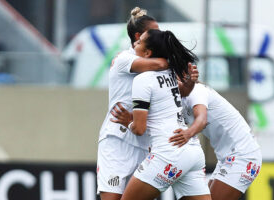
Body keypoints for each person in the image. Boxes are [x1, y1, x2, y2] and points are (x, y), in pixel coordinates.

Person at [97, 7, 198, 200]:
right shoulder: (124, 59)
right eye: (154, 31)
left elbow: (182, 91)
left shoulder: (157, 65)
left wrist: (189, 80)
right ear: (138, 36)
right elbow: (160, 65)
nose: (158, 34)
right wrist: (177, 58)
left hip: (144, 141)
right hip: (117, 140)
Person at [111, 29, 211, 200]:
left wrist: (128, 121)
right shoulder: (172, 74)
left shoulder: (143, 80)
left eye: (139, 42)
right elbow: (185, 91)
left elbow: (139, 128)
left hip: (168, 153)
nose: (135, 43)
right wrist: (189, 81)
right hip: (192, 152)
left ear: (147, 53)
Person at [168, 83, 262, 200]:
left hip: (243, 155)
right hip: (226, 157)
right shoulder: (176, 99)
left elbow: (202, 120)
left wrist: (187, 134)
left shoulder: (196, 91)